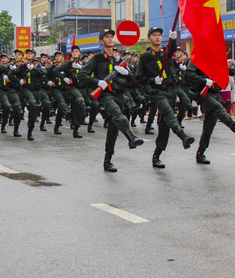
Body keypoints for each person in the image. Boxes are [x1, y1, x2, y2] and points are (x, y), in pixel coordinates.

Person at [79, 29, 144, 172]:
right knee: (116, 114)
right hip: (105, 95)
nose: (110, 39)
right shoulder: (97, 58)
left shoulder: (118, 60)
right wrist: (97, 82)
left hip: (119, 95)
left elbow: (133, 80)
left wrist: (127, 73)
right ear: (101, 41)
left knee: (114, 128)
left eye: (111, 37)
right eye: (107, 37)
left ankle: (108, 160)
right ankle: (131, 137)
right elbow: (82, 75)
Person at [138, 27, 194, 169]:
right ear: (149, 38)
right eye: (154, 35)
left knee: (164, 126)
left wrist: (173, 39)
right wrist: (152, 80)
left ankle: (157, 156)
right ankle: (183, 136)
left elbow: (172, 50)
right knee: (169, 113)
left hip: (170, 90)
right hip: (157, 92)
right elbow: (139, 78)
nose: (157, 37)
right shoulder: (145, 57)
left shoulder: (165, 53)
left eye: (159, 35)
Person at [182, 60, 235, 164]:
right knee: (218, 108)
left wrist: (221, 63)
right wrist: (204, 81)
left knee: (209, 126)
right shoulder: (197, 58)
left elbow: (232, 72)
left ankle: (200, 153)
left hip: (215, 93)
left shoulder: (214, 58)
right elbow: (188, 73)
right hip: (203, 93)